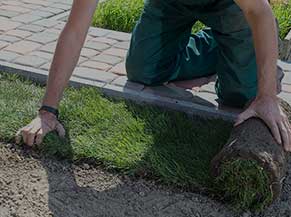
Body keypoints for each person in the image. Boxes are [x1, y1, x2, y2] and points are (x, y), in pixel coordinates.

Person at [16, 0, 291, 151]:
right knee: (143, 70)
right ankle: (229, 48)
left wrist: (266, 95)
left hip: (231, 6)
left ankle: (250, 51)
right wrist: (47, 111)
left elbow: (258, 10)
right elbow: (75, 28)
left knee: (240, 95)